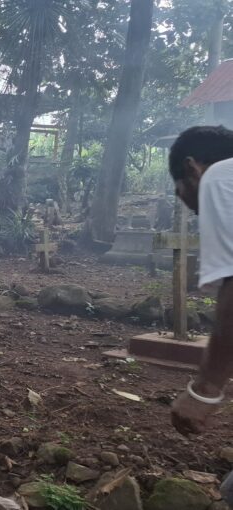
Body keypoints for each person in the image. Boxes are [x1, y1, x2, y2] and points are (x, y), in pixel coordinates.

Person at [167, 126, 233, 503]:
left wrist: (206, 390)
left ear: (193, 169)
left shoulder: (221, 177)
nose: (188, 206)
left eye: (182, 194)